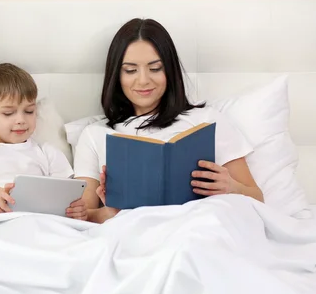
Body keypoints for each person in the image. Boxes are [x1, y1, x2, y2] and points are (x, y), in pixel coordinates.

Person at [71, 18, 264, 224]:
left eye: (155, 68)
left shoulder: (207, 120)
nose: (144, 80)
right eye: (130, 70)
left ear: (169, 71)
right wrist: (110, 212)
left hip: (199, 230)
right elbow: (80, 217)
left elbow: (258, 198)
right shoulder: (95, 134)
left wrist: (232, 188)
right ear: (116, 75)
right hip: (133, 235)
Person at [0, 63, 86, 220]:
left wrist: (76, 209)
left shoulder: (47, 152)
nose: (21, 120)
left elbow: (66, 197)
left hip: (41, 221)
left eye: (29, 111)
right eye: (8, 113)